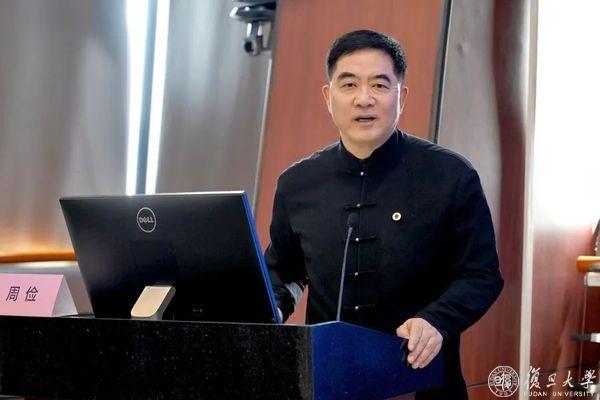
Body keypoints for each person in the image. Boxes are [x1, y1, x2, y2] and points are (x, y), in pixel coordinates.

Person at [265, 29, 503, 399]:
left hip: (423, 381)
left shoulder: (450, 175)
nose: (364, 99)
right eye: (349, 85)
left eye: (379, 85)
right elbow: (284, 271)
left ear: (401, 96)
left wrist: (436, 320)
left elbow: (482, 274)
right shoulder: (297, 183)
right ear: (328, 97)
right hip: (328, 380)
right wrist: (273, 306)